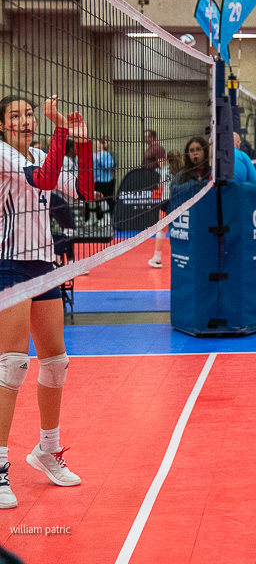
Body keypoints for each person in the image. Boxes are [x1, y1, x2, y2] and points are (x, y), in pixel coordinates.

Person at [0, 95, 93, 509]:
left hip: (44, 265)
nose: (24, 120)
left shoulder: (41, 151)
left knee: (56, 363)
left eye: (29, 113)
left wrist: (83, 142)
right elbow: (42, 179)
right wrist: (61, 130)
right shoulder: (2, 155)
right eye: (14, 115)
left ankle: (46, 451)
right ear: (2, 126)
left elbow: (86, 190)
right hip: (8, 264)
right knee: (13, 365)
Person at [90, 136, 114, 220]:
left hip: (105, 181)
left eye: (98, 144)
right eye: (95, 144)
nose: (96, 146)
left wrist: (100, 160)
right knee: (94, 200)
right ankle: (94, 218)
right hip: (95, 181)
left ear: (102, 145)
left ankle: (107, 218)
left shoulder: (106, 154)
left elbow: (109, 166)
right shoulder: (92, 154)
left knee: (104, 199)